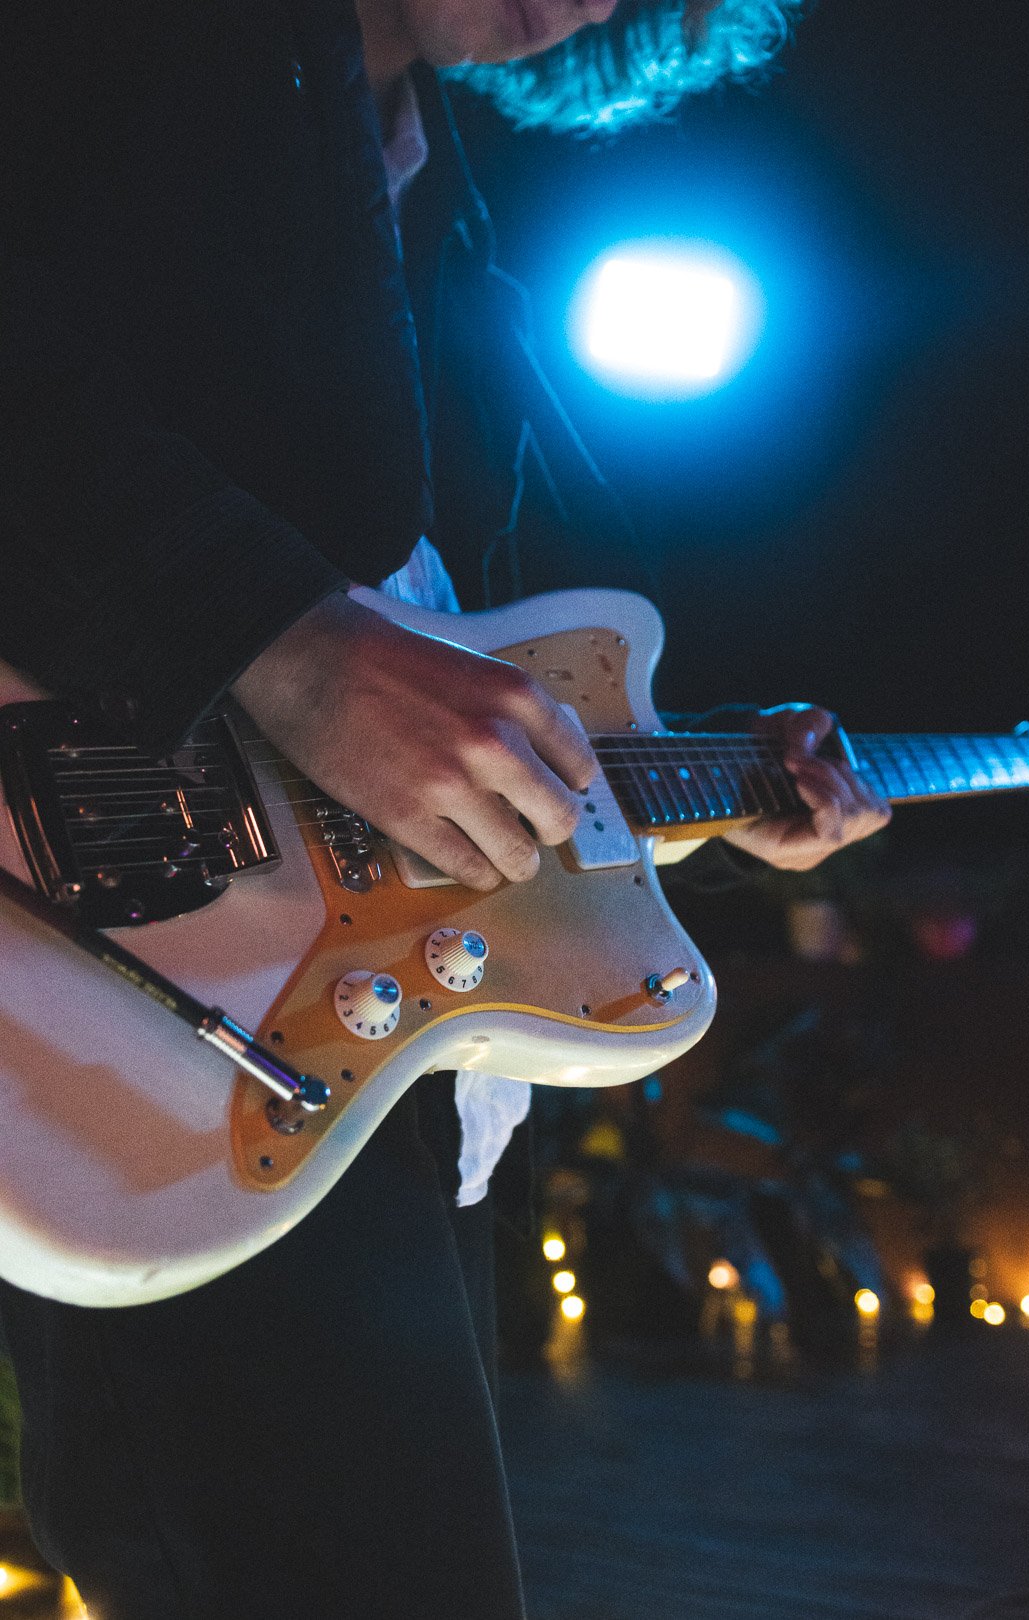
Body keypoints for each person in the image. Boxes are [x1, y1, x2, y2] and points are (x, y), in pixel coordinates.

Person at [0, 2, 890, 1615]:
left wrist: (709, 781)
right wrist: (283, 641)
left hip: (376, 1023)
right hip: (135, 937)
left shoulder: (455, 224)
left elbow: (473, 648)